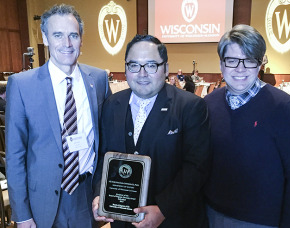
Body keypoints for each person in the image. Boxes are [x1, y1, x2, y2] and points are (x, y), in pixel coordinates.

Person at [6, 4, 111, 228]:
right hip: (40, 202)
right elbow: (15, 156)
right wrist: (22, 215)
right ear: (45, 37)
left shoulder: (99, 79)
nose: (67, 43)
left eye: (73, 35)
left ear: (81, 39)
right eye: (58, 35)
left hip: (86, 195)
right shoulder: (22, 85)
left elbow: (106, 144)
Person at [92, 34, 211, 228]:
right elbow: (102, 156)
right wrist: (100, 194)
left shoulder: (191, 106)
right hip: (121, 221)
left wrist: (163, 209)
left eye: (151, 65)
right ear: (126, 68)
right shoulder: (112, 104)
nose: (142, 73)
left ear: (166, 68)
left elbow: (196, 168)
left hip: (173, 220)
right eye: (134, 65)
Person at [204, 24, 290, 228]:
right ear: (221, 64)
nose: (240, 69)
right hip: (211, 215)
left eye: (249, 60)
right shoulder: (208, 104)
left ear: (260, 65)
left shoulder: (287, 108)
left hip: (262, 221)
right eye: (232, 61)